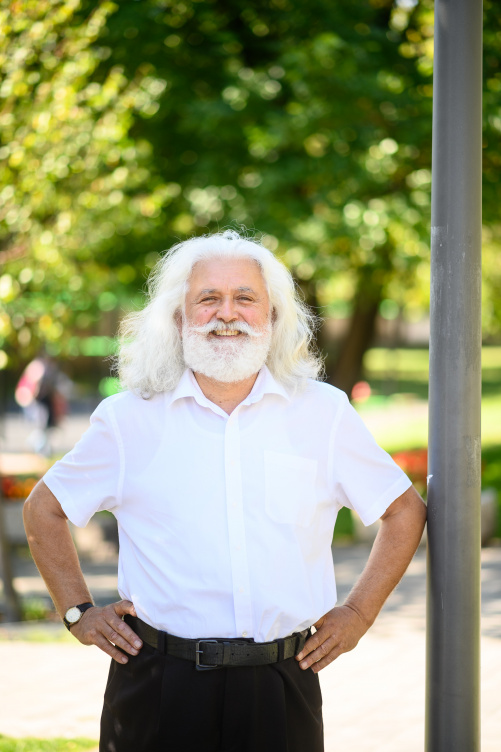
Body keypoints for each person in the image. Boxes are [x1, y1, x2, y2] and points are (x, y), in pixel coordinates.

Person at [23, 230, 427, 752]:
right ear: (178, 318)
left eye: (245, 298)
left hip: (282, 684)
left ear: (273, 316)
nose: (227, 313)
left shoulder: (323, 413)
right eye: (208, 298)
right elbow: (44, 509)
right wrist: (78, 611)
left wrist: (358, 613)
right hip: (157, 685)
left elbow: (404, 511)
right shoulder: (127, 420)